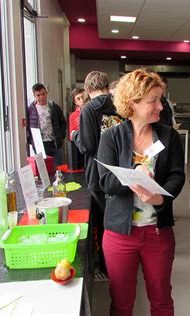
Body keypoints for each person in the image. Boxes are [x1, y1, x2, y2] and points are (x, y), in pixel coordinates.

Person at [97, 68, 185, 315]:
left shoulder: (168, 136)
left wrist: (160, 197)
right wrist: (133, 174)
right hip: (119, 235)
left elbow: (177, 175)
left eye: (160, 98)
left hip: (158, 232)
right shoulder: (111, 138)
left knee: (161, 300)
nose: (160, 106)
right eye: (153, 101)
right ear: (132, 103)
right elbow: (105, 182)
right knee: (122, 304)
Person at [71, 71, 124, 277]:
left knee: (102, 222)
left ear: (88, 89)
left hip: (98, 172)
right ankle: (122, 261)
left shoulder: (88, 109)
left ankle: (105, 266)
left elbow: (88, 146)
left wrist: (75, 135)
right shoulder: (120, 104)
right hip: (121, 170)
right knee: (119, 215)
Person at [26, 83, 67, 167]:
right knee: (43, 169)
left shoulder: (54, 107)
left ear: (46, 93)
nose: (41, 97)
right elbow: (27, 127)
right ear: (34, 95)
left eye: (43, 94)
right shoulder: (30, 110)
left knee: (58, 168)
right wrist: (31, 140)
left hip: (55, 143)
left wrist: (61, 135)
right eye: (38, 95)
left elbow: (63, 122)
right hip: (40, 145)